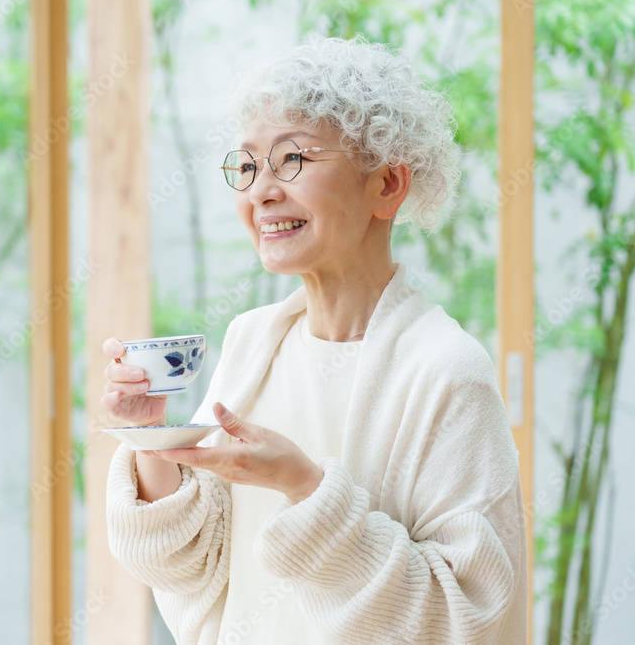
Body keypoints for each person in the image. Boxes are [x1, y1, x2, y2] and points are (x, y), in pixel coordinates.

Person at [100, 36, 527, 644]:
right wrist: (153, 439)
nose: (261, 191)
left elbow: (468, 619)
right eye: (247, 165)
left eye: (292, 160)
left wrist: (304, 487)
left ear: (387, 185)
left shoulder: (446, 371)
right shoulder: (253, 343)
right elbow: (188, 565)